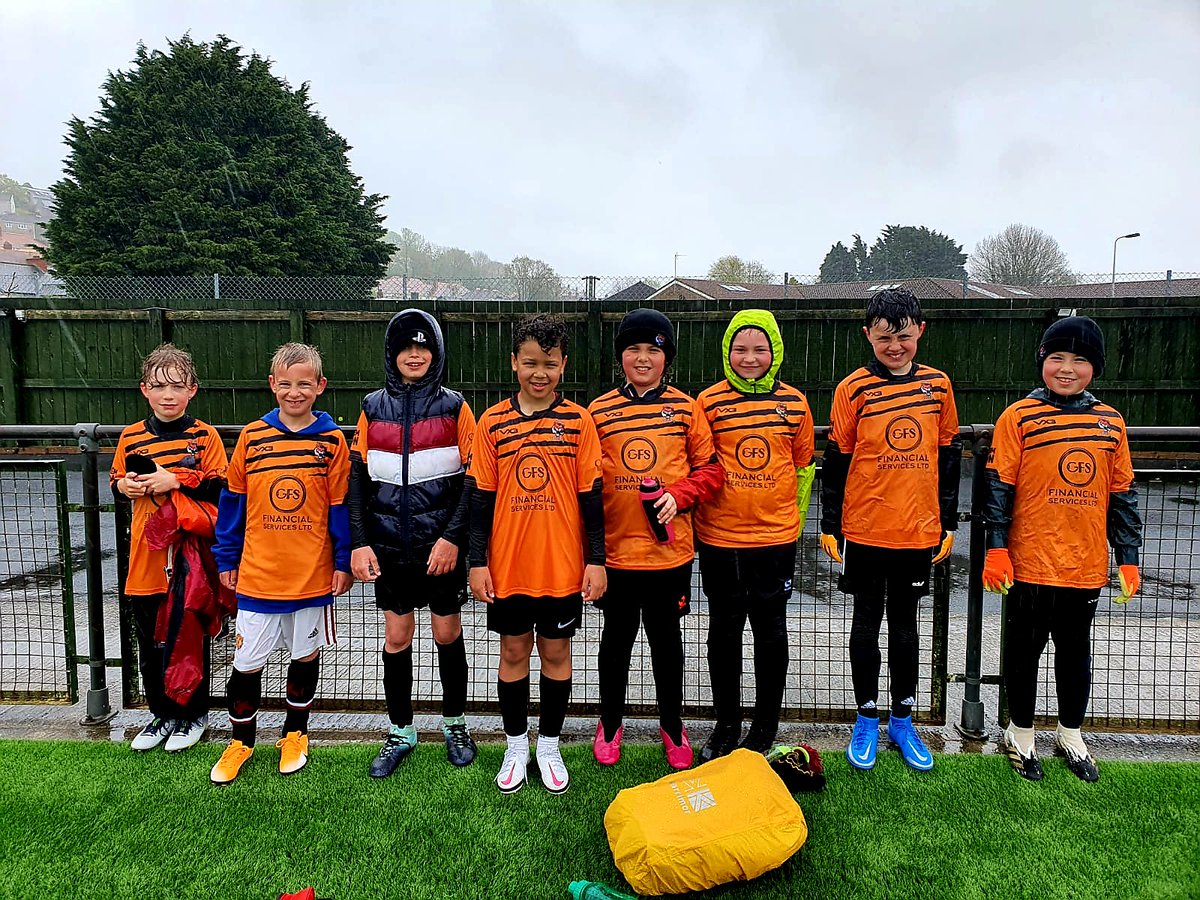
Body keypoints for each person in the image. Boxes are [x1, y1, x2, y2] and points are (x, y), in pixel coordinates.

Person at [984, 315, 1141, 783]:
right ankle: (1020, 733)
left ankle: (1071, 733)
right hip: (1029, 560)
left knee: (1075, 652)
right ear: (1042, 362)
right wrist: (996, 547)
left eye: (1079, 360)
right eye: (1057, 358)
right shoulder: (1019, 416)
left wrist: (1128, 557)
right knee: (1024, 650)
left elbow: (1123, 495)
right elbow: (998, 488)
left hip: (1085, 564)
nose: (1067, 368)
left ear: (1095, 367)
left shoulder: (1111, 422)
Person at [820, 287, 961, 772]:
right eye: (884, 337)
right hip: (864, 528)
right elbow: (835, 460)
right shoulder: (852, 389)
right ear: (868, 336)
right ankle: (865, 717)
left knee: (905, 628)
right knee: (865, 623)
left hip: (918, 531)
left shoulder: (938, 386)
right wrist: (829, 523)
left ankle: (902, 719)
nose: (894, 346)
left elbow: (948, 456)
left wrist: (948, 521)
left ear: (920, 331)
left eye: (903, 336)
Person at [466, 313, 606, 795]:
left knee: (556, 652)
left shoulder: (579, 421)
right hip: (507, 567)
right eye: (530, 363)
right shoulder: (493, 423)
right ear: (514, 363)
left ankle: (548, 745)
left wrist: (596, 559)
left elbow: (592, 497)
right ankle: (515, 744)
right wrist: (477, 561)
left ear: (563, 365)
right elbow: (480, 497)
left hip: (562, 567)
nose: (539, 373)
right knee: (512, 651)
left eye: (549, 363)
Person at [210, 343, 352, 783]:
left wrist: (343, 561)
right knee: (247, 663)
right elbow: (232, 502)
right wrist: (226, 556)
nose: (295, 392)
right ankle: (241, 743)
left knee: (304, 656)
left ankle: (295, 735)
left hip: (311, 576)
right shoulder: (253, 437)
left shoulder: (332, 441)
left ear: (320, 387)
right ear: (272, 385)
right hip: (257, 575)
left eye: (304, 384)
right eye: (286, 384)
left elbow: (341, 506)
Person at [588, 309, 723, 769]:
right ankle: (609, 723)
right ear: (620, 356)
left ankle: (672, 725)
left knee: (667, 643)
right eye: (633, 349)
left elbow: (711, 471)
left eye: (653, 349)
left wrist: (678, 496)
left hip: (670, 555)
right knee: (616, 641)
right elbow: (585, 481)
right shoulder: (599, 411)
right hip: (617, 554)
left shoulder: (688, 409)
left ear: (667, 357)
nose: (643, 358)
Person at [348, 309, 477, 777]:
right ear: (392, 354)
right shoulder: (371, 407)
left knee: (447, 633)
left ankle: (455, 724)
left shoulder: (455, 408)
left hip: (440, 551)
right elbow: (358, 481)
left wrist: (451, 539)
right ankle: (401, 731)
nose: (415, 354)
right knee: (397, 637)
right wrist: (360, 544)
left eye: (423, 347)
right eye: (406, 347)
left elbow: (473, 481)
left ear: (436, 353)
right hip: (389, 549)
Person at [694, 309, 816, 759]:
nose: (750, 358)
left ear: (775, 352)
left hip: (774, 541)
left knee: (770, 631)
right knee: (723, 631)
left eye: (759, 349)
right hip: (719, 539)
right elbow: (700, 466)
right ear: (727, 352)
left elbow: (803, 468)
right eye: (740, 349)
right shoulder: (707, 403)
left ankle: (765, 725)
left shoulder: (795, 403)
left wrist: (790, 525)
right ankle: (726, 724)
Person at [111, 343, 228, 752]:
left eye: (177, 386)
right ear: (145, 389)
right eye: (159, 386)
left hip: (191, 561)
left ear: (192, 390)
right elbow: (117, 482)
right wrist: (125, 486)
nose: (168, 395)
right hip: (145, 559)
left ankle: (193, 715)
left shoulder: (205, 436)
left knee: (189, 635)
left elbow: (221, 488)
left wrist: (175, 479)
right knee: (151, 641)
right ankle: (160, 714)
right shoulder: (131, 437)